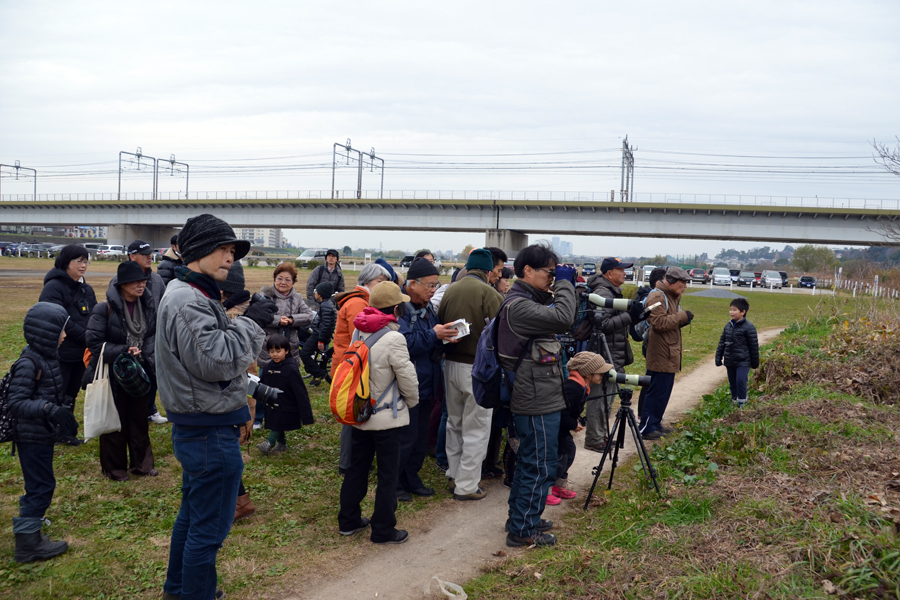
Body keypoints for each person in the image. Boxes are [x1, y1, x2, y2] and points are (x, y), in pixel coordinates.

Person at [156, 213, 275, 600]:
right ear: (200, 250)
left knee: (192, 518)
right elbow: (218, 362)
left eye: (232, 250)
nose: (230, 257)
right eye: (223, 249)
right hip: (208, 431)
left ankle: (178, 589)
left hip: (201, 426)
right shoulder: (187, 299)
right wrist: (253, 321)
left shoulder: (193, 293)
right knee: (208, 530)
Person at [497, 243, 577, 547]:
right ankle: (522, 530)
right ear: (527, 271)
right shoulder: (519, 305)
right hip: (534, 399)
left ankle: (523, 517)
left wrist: (559, 284)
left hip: (539, 394)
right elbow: (564, 318)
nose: (553, 278)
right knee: (539, 464)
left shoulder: (527, 300)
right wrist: (567, 283)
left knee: (532, 462)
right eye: (549, 272)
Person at [338, 282, 419, 544]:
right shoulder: (394, 338)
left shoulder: (359, 330)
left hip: (360, 414)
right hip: (387, 418)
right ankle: (383, 530)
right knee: (387, 474)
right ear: (396, 308)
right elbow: (406, 377)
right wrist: (412, 402)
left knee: (356, 468)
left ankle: (348, 521)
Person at [8, 303, 78, 564]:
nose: (65, 336)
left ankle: (32, 522)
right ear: (47, 333)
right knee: (40, 485)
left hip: (42, 433)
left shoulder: (47, 357)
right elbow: (17, 403)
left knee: (41, 482)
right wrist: (49, 409)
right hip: (31, 436)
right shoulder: (29, 363)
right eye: (61, 331)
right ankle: (28, 544)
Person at [438, 248, 504, 501]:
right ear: (488, 272)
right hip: (478, 369)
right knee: (476, 427)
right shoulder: (490, 293)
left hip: (450, 364)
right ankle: (467, 486)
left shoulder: (450, 289)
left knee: (454, 422)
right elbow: (500, 333)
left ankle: (454, 475)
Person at [85, 261, 158, 481]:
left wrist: (146, 353)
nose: (141, 285)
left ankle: (142, 465)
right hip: (114, 373)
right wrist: (124, 350)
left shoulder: (148, 305)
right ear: (122, 284)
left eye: (143, 280)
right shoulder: (104, 308)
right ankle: (115, 470)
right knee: (114, 421)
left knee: (139, 420)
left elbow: (152, 335)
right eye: (135, 281)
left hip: (139, 371)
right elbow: (94, 343)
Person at [395, 258, 458, 502]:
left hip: (427, 383)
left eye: (435, 285)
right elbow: (403, 344)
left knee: (420, 438)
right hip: (407, 386)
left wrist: (447, 336)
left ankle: (412, 478)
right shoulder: (398, 308)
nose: (433, 290)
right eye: (429, 285)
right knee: (405, 438)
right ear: (411, 284)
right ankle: (397, 483)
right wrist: (434, 334)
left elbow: (429, 338)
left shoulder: (428, 308)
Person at [331, 262, 391, 473]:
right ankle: (348, 465)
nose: (382, 287)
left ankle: (352, 461)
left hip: (349, 365)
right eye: (379, 282)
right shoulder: (358, 303)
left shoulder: (359, 300)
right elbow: (361, 340)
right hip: (351, 368)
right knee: (351, 415)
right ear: (366, 281)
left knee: (354, 413)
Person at [583, 257, 644, 452]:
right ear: (609, 273)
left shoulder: (611, 291)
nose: (625, 273)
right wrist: (630, 316)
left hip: (612, 352)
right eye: (621, 269)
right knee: (599, 398)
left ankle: (602, 436)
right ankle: (594, 439)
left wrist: (637, 316)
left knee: (607, 397)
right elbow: (603, 324)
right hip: (603, 353)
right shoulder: (603, 293)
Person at [218, 262, 256, 523]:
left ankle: (239, 503)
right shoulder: (243, 311)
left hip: (232, 394)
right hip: (242, 394)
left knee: (225, 452)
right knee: (226, 451)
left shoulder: (231, 316)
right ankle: (239, 501)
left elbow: (245, 365)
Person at [38, 243, 97, 410]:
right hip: (61, 354)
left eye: (86, 261)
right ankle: (53, 433)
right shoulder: (53, 287)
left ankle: (66, 433)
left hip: (81, 354)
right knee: (57, 395)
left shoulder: (86, 288)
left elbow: (95, 316)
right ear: (66, 262)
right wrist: (86, 337)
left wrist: (94, 335)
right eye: (79, 261)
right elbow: (58, 319)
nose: (84, 265)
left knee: (71, 396)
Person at [549, 352, 611, 505]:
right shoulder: (573, 388)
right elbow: (560, 412)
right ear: (588, 373)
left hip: (562, 430)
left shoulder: (581, 386)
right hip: (556, 430)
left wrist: (575, 419)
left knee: (569, 452)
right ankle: (545, 490)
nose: (603, 374)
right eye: (600, 371)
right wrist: (573, 424)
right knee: (558, 459)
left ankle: (559, 486)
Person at [639, 267, 694, 441]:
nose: (685, 286)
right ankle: (646, 427)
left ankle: (655, 424)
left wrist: (682, 319)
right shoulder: (656, 296)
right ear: (670, 281)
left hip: (669, 352)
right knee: (656, 392)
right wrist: (682, 316)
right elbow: (658, 322)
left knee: (663, 393)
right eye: (682, 282)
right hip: (660, 353)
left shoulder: (671, 296)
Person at [126, 239, 169, 425]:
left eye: (149, 254)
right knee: (133, 376)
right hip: (131, 336)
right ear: (132, 256)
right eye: (144, 254)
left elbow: (164, 305)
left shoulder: (157, 279)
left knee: (153, 374)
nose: (148, 257)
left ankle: (151, 409)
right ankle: (133, 412)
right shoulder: (121, 279)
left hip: (153, 336)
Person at [257, 334, 314, 454]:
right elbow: (261, 383)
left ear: (286, 351)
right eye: (272, 351)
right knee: (275, 421)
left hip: (287, 404)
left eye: (278, 351)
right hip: (272, 402)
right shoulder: (268, 367)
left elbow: (300, 392)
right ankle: (282, 443)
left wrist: (306, 415)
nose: (275, 354)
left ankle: (269, 443)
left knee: (279, 420)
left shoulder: (291, 369)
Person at [258, 262, 316, 362]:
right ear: (274, 279)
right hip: (269, 347)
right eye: (279, 278)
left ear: (293, 282)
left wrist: (292, 320)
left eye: (287, 280)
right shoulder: (266, 295)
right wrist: (278, 320)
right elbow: (260, 316)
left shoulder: (297, 298)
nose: (283, 282)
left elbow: (309, 316)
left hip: (291, 346)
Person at [715, 298, 759, 407]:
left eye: (734, 310)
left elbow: (754, 346)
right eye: (730, 309)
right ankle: (735, 401)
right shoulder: (728, 326)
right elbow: (722, 343)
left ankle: (742, 403)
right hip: (730, 360)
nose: (731, 312)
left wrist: (754, 363)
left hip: (743, 361)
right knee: (733, 383)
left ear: (743, 312)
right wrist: (718, 357)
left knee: (740, 381)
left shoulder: (749, 327)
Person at [300, 282, 337, 387]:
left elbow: (325, 326)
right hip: (319, 334)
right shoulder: (327, 304)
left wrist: (321, 340)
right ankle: (316, 374)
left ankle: (320, 374)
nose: (314, 293)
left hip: (318, 335)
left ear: (320, 294)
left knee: (304, 354)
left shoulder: (325, 306)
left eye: (316, 291)